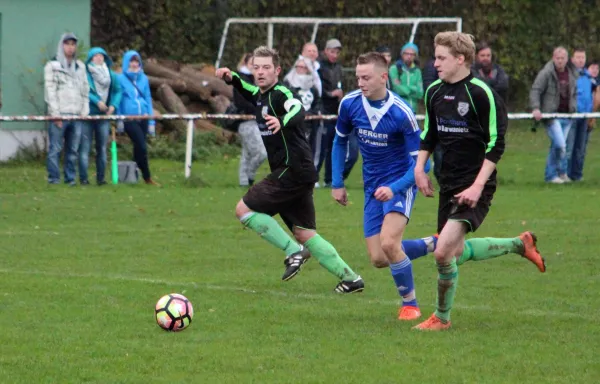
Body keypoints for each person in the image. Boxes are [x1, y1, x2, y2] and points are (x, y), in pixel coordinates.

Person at [413, 31, 545, 331]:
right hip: (447, 184)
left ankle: (441, 318)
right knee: (455, 253)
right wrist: (419, 168)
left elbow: (496, 145)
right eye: (435, 57)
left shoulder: (483, 94)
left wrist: (477, 186)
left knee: (443, 251)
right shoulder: (433, 91)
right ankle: (518, 244)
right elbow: (428, 135)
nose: (436, 64)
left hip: (475, 185)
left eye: (441, 58)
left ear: (461, 59)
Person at [215, 46, 364, 293]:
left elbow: (297, 108)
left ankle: (292, 251)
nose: (261, 72)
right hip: (300, 173)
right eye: (256, 67)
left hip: (292, 170)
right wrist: (232, 78)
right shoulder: (261, 95)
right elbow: (249, 89)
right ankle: (350, 278)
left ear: (278, 70)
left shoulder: (281, 93)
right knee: (305, 232)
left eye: (266, 67)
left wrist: (281, 121)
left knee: (243, 210)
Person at [331, 52, 425, 320]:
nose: (360, 82)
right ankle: (435, 244)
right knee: (379, 258)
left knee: (389, 241)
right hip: (372, 187)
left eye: (366, 77)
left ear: (384, 77)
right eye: (358, 77)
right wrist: (337, 183)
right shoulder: (349, 104)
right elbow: (338, 142)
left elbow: (421, 166)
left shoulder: (401, 112)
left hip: (400, 183)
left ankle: (411, 305)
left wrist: (395, 188)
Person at [44, 32, 89, 185]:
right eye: (67, 44)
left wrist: (84, 112)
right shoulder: (52, 66)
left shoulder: (81, 67)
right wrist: (55, 114)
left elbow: (85, 90)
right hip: (59, 115)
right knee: (55, 149)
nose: (70, 47)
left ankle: (70, 179)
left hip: (76, 115)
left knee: (73, 151)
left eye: (73, 44)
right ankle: (54, 179)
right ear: (61, 45)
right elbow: (50, 92)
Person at [530, 47, 578, 184]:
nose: (560, 61)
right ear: (553, 58)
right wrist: (536, 108)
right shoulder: (546, 73)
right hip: (551, 116)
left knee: (561, 147)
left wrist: (574, 107)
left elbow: (574, 93)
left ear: (567, 59)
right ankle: (550, 175)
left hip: (568, 116)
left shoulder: (572, 73)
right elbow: (536, 90)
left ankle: (561, 173)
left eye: (563, 58)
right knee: (560, 145)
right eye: (558, 58)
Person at [79, 47, 122, 185]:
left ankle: (101, 179)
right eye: (95, 56)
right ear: (91, 59)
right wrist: (97, 101)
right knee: (85, 148)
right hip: (87, 115)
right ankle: (84, 179)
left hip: (103, 117)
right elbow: (84, 90)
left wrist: (113, 105)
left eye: (101, 56)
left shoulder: (111, 75)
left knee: (102, 149)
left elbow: (117, 91)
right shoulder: (85, 74)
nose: (99, 58)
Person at [117, 50, 159, 185]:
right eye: (132, 61)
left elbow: (147, 97)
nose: (134, 64)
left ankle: (133, 174)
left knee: (139, 147)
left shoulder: (144, 78)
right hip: (129, 118)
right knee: (142, 145)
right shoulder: (120, 78)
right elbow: (118, 99)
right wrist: (120, 119)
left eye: (137, 61)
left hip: (144, 117)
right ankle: (147, 176)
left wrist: (151, 120)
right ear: (126, 62)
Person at [232, 53, 267, 187]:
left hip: (257, 120)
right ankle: (250, 176)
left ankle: (244, 183)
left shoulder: (258, 79)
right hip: (245, 120)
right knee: (261, 153)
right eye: (253, 63)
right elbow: (241, 102)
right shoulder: (240, 79)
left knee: (246, 154)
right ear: (246, 64)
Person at [389, 42, 423, 113]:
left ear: (415, 56)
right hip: (398, 109)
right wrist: (413, 88)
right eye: (406, 53)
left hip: (413, 110)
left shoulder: (417, 71)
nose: (409, 56)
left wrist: (404, 87)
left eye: (412, 54)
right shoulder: (394, 69)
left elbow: (420, 93)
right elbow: (396, 89)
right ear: (402, 54)